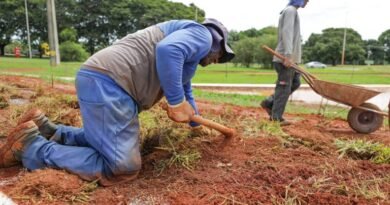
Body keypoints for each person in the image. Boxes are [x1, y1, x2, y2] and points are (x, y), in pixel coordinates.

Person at [0, 18, 235, 186]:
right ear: (218, 42)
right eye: (220, 57)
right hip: (112, 84)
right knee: (122, 168)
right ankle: (32, 148)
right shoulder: (202, 35)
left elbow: (184, 88)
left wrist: (195, 125)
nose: (216, 61)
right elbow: (168, 51)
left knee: (108, 139)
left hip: (105, 81)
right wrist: (175, 102)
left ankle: (51, 132)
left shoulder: (188, 51)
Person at [260, 0, 309, 126]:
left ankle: (270, 102)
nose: (308, 1)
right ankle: (276, 118)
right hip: (285, 59)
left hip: (291, 59)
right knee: (284, 88)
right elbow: (287, 33)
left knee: (296, 82)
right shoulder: (290, 11)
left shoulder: (292, 11)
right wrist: (287, 55)